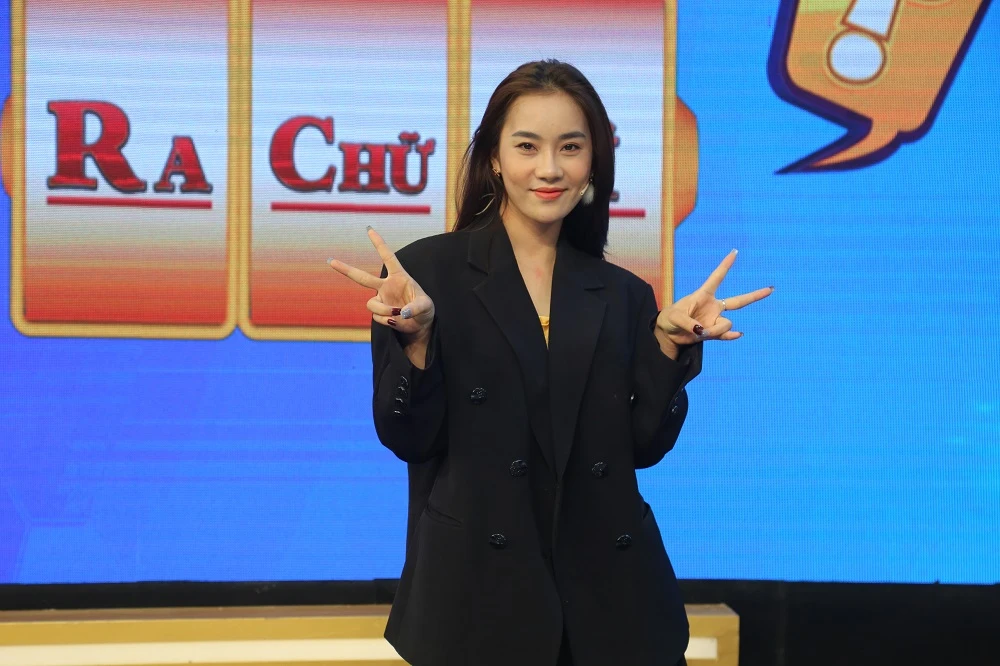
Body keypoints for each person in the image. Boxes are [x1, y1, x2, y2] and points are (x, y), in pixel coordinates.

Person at [329, 59, 773, 666]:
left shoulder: (622, 294)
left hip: (610, 607)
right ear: (494, 157)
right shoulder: (424, 277)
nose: (549, 168)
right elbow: (408, 437)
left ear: (593, 162)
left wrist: (670, 349)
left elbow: (643, 448)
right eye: (527, 146)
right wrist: (420, 342)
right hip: (474, 605)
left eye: (570, 147)